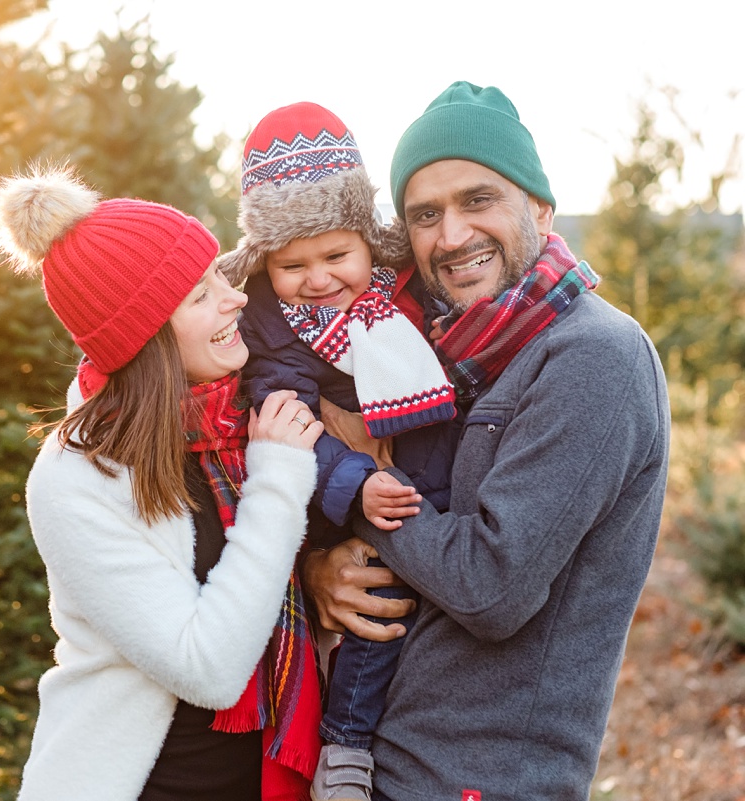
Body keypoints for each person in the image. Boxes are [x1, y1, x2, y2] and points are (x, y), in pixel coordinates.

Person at [303, 81, 671, 801]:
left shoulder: (593, 356)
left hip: (478, 781)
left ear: (538, 206)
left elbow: (490, 585)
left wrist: (356, 488)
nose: (451, 236)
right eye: (425, 214)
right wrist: (325, 573)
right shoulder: (449, 355)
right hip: (388, 765)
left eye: (479, 200)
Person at [0, 165, 326, 801]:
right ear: (145, 342)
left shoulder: (243, 417)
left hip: (269, 781)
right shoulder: (79, 477)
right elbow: (210, 670)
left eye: (219, 275)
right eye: (200, 296)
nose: (235, 298)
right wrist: (278, 483)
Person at [218, 102, 459, 801]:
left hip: (423, 484)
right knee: (372, 599)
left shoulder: (403, 302)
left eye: (335, 257)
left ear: (366, 242)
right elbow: (284, 417)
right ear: (267, 262)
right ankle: (345, 747)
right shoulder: (270, 325)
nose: (317, 280)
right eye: (292, 264)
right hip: (334, 502)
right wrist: (354, 484)